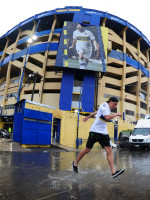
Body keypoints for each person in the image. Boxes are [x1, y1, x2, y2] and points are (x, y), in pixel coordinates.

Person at [72, 96, 124, 178]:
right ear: (110, 101)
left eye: (116, 105)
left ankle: (113, 172)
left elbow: (97, 112)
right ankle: (75, 163)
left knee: (109, 149)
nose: (115, 106)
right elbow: (106, 117)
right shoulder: (105, 107)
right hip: (95, 131)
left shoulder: (104, 106)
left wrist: (89, 117)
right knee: (87, 149)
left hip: (103, 133)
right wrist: (116, 114)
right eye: (115, 104)